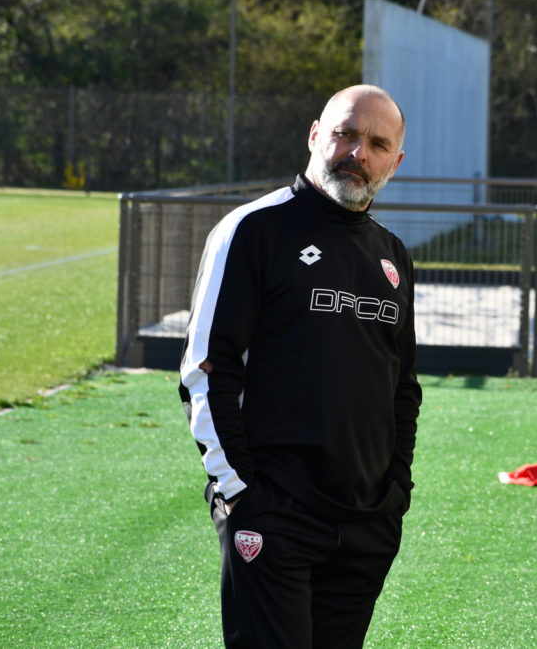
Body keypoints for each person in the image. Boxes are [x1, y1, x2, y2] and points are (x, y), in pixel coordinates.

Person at [178, 84, 422, 648]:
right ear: (315, 136)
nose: (358, 153)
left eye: (377, 144)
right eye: (345, 134)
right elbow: (206, 369)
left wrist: (395, 494)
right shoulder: (252, 229)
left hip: (366, 520)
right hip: (273, 512)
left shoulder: (392, 253)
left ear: (395, 162)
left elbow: (402, 389)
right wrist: (240, 490)